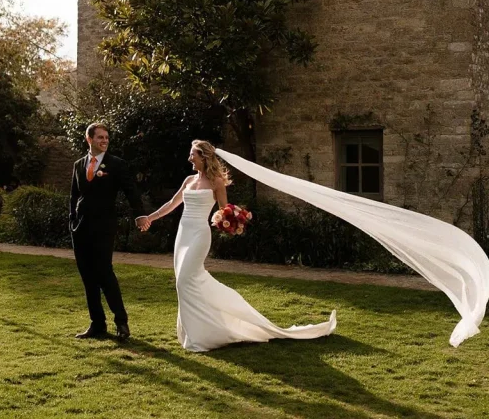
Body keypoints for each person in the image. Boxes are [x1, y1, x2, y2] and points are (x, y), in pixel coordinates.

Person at [136, 140, 336, 352]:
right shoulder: (188, 180)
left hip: (199, 235)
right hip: (182, 235)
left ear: (203, 157)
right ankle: (198, 332)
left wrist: (230, 219)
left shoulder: (216, 182)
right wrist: (150, 217)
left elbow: (224, 210)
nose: (189, 158)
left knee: (185, 280)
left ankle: (206, 333)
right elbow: (172, 204)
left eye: (192, 155)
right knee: (185, 282)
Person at [69, 122, 145, 340]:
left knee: (104, 273)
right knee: (87, 277)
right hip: (80, 228)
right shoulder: (78, 165)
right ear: (89, 139)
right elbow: (74, 196)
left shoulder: (116, 164)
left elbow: (131, 191)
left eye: (107, 138)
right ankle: (97, 324)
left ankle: (121, 322)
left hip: (103, 227)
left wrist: (139, 215)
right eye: (100, 137)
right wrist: (72, 221)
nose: (104, 141)